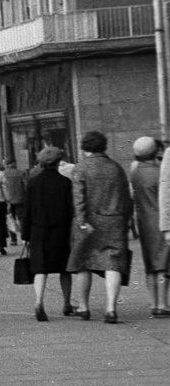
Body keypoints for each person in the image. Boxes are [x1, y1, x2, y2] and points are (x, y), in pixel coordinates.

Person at [66, 131, 133, 323]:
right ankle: (111, 308)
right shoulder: (116, 168)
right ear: (103, 146)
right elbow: (126, 198)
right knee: (113, 263)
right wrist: (125, 219)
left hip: (89, 222)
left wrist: (81, 221)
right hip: (115, 221)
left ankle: (83, 307)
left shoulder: (81, 168)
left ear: (84, 147)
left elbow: (79, 198)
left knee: (83, 263)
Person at [22, 145, 74, 322]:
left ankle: (38, 302)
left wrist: (25, 234)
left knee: (40, 270)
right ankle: (67, 304)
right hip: (62, 232)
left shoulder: (33, 183)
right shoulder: (66, 183)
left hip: (39, 231)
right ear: (59, 163)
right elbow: (71, 210)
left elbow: (27, 211)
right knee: (65, 269)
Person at [129, 137, 168, 317]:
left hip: (143, 221)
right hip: (160, 221)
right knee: (163, 264)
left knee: (151, 264)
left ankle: (153, 302)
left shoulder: (135, 173)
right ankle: (162, 304)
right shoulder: (159, 173)